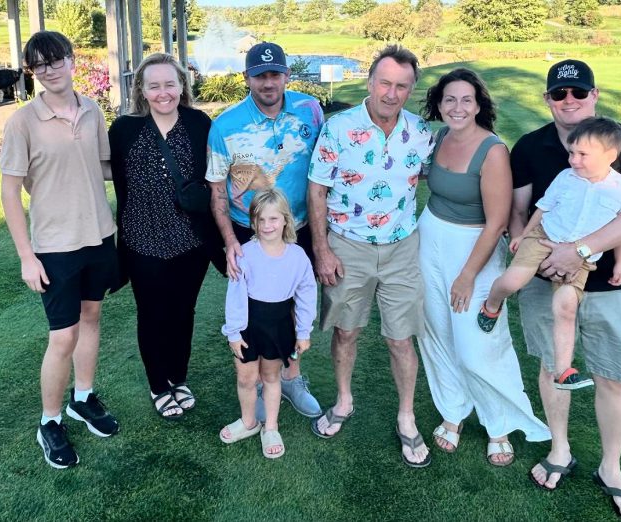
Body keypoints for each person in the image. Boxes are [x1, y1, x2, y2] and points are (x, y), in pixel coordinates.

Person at [512, 59, 621, 522]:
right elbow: (519, 214)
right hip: (545, 279)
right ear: (548, 100)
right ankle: (560, 449)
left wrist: (578, 251)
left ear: (594, 95)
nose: (569, 101)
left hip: (611, 284)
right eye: (560, 94)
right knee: (551, 364)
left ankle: (611, 469)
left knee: (612, 376)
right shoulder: (531, 146)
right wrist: (531, 253)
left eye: (579, 93)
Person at [307, 45, 435, 468]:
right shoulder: (339, 127)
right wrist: (322, 249)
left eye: (402, 86)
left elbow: (443, 177)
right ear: (370, 82)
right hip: (347, 246)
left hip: (401, 247)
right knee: (346, 331)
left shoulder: (420, 132)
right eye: (385, 82)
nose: (391, 93)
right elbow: (317, 189)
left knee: (401, 338)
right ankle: (343, 401)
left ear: (411, 89)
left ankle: (406, 416)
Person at [416, 68, 550, 467]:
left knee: (479, 343)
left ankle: (499, 424)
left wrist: (468, 274)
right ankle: (452, 412)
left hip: (474, 249)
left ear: (479, 105)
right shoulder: (439, 138)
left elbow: (495, 221)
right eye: (450, 100)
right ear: (439, 105)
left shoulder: (492, 150)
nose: (457, 108)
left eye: (466, 100)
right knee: (436, 332)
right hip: (430, 240)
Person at [0, 30, 119, 469]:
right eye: (39, 65)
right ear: (33, 72)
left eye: (56, 60)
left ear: (71, 61)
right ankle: (50, 421)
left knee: (92, 318)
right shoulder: (22, 122)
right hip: (54, 247)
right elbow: (10, 193)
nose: (49, 70)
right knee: (62, 336)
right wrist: (27, 257)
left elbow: (106, 168)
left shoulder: (92, 111)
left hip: (99, 237)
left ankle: (82, 398)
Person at [206, 41, 323, 421]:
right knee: (254, 307)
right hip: (247, 231)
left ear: (287, 75)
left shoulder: (311, 109)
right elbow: (217, 192)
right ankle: (254, 383)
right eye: (260, 76)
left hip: (299, 227)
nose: (268, 83)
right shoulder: (225, 125)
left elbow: (324, 171)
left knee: (290, 302)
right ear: (247, 78)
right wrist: (228, 243)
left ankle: (290, 377)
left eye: (275, 74)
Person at [109, 53, 225, 420]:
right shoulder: (124, 129)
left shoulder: (198, 123)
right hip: (141, 241)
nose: (163, 93)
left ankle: (179, 377)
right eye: (154, 85)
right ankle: (159, 384)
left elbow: (216, 175)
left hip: (191, 242)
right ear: (141, 90)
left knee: (183, 312)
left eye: (170, 84)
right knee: (152, 314)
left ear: (182, 86)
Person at [479, 117, 621, 391]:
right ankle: (491, 304)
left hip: (583, 257)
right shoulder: (566, 178)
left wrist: (620, 263)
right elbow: (543, 208)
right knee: (513, 282)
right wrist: (523, 235)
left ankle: (563, 370)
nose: (573, 160)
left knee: (566, 306)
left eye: (582, 154)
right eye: (572, 153)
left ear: (610, 155)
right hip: (543, 237)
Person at [219, 188, 316, 459]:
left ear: (286, 220)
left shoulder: (297, 257)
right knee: (246, 377)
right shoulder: (244, 253)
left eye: (273, 219)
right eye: (260, 220)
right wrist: (234, 332)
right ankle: (249, 422)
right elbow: (235, 296)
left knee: (272, 377)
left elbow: (307, 294)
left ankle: (270, 427)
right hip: (248, 325)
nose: (266, 226)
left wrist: (303, 331)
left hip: (278, 326)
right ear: (253, 222)